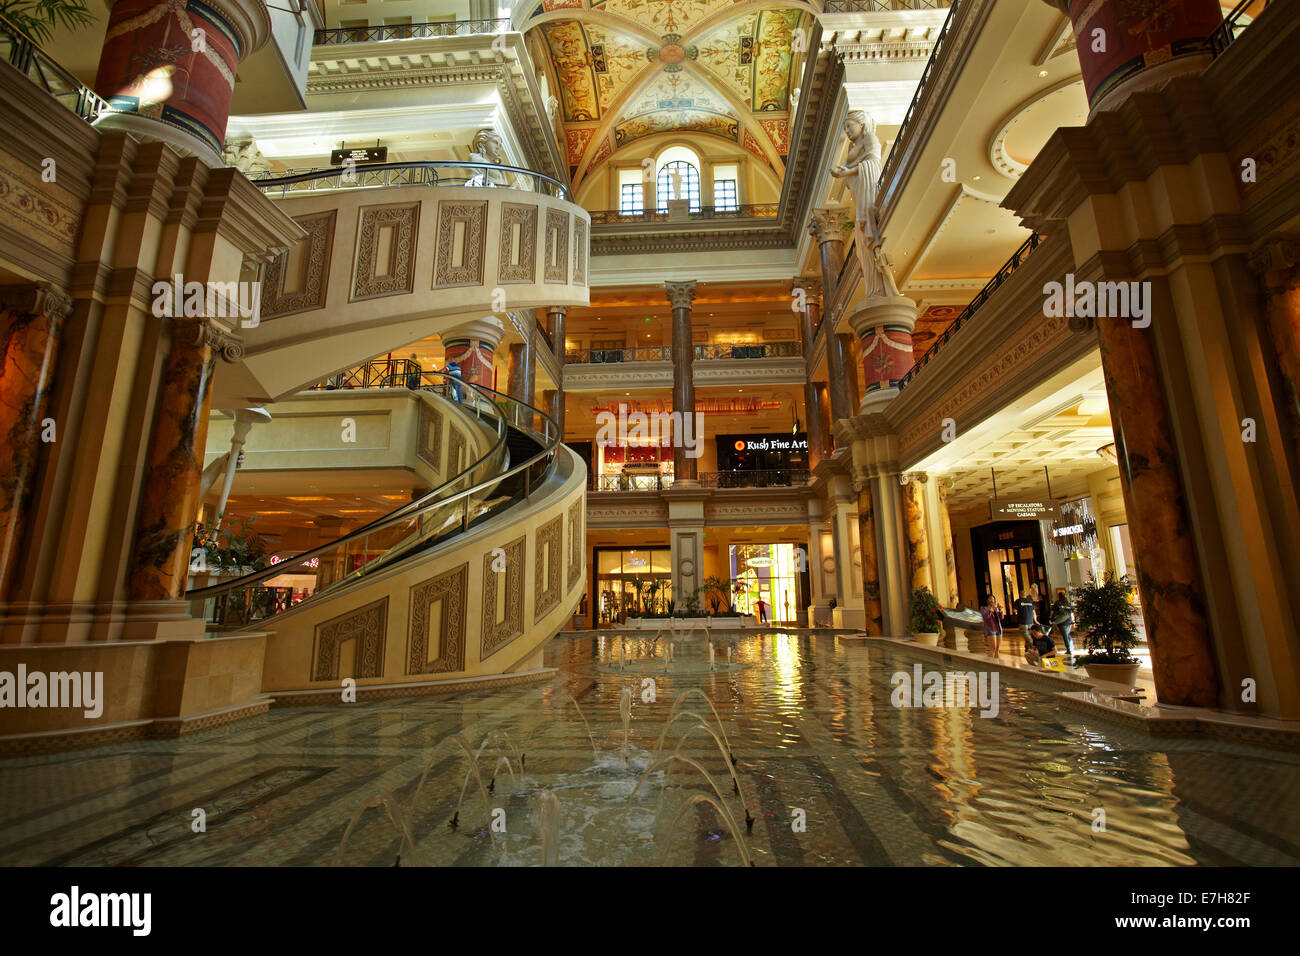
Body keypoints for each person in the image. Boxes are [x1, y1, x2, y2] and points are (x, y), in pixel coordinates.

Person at [1050, 589, 1075, 657]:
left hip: (1061, 622)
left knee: (1065, 635)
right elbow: (1072, 612)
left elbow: (1053, 612)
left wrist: (1051, 619)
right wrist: (1073, 621)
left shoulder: (1057, 603)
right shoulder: (1068, 603)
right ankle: (1071, 646)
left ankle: (1069, 649)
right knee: (1067, 634)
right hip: (1068, 620)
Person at [980, 593, 1004, 659]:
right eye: (990, 598)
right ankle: (990, 663)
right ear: (987, 600)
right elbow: (986, 617)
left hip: (998, 629)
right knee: (993, 648)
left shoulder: (995, 608)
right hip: (990, 629)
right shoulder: (983, 608)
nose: (992, 600)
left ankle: (997, 664)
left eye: (993, 599)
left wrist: (1000, 610)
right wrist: (990, 608)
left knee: (997, 649)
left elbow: (1001, 618)